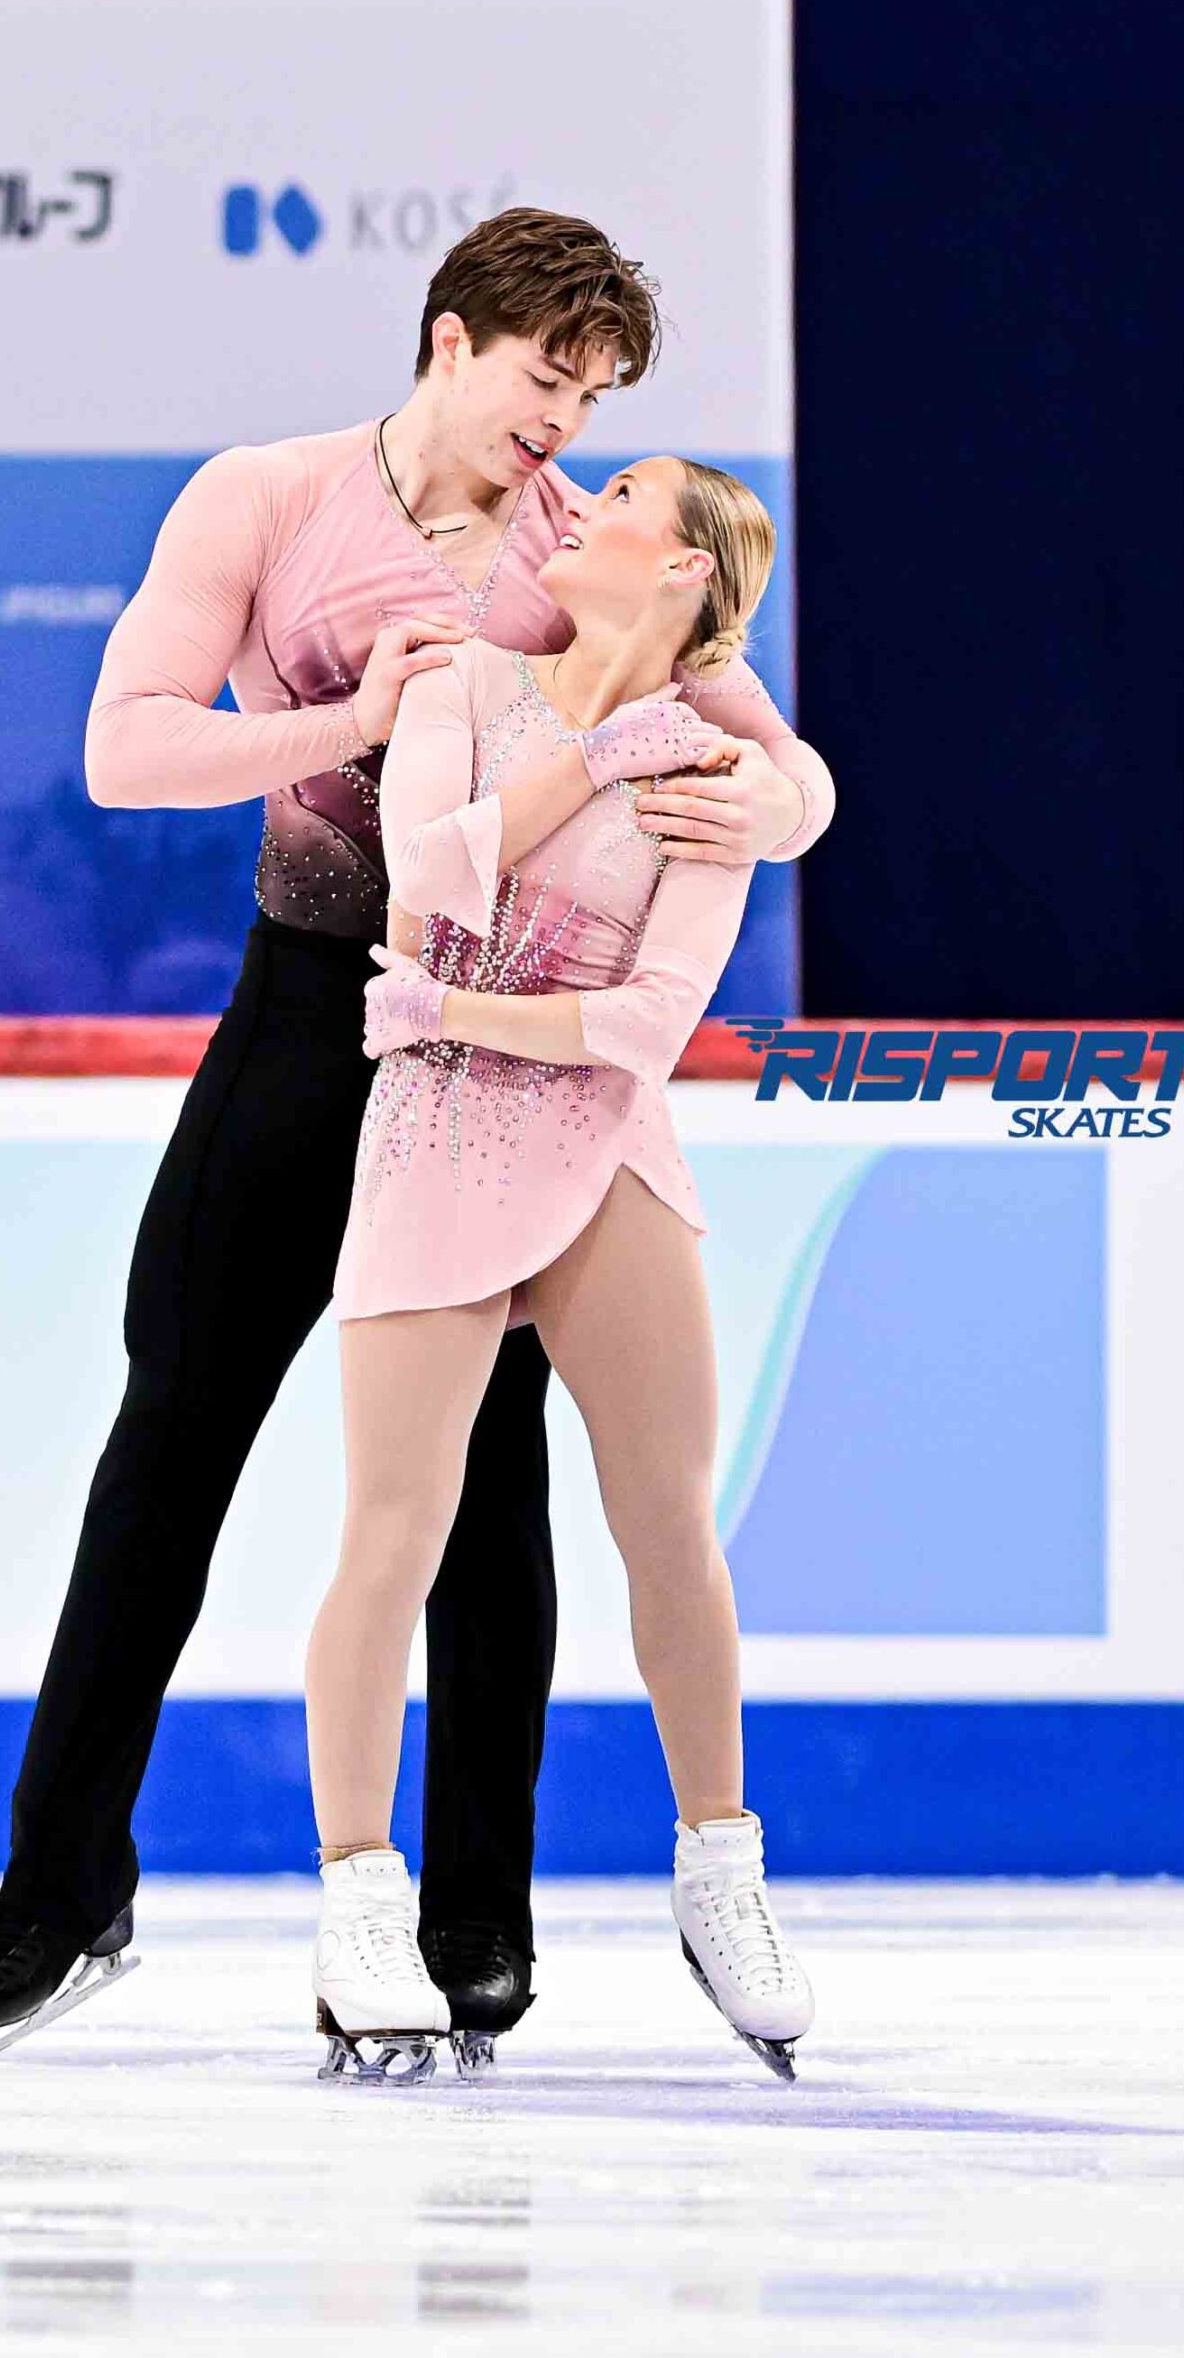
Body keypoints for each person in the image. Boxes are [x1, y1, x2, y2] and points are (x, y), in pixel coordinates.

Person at [0, 211, 833, 2068]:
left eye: (593, 399)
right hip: (307, 1010)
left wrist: (764, 800)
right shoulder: (269, 499)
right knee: (173, 1433)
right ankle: (60, 1884)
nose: (563, 425)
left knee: (492, 1490)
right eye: (545, 377)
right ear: (449, 340)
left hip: (498, 1058)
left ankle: (473, 1916)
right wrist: (351, 716)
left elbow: (788, 766)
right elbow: (124, 748)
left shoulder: (581, 546)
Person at [305, 458, 814, 2083]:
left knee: (669, 1528)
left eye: (627, 497)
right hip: (434, 1135)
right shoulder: (462, 687)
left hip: (595, 1139)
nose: (581, 503)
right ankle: (359, 1906)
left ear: (683, 571)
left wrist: (449, 1007)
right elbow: (422, 874)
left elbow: (648, 1026)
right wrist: (591, 757)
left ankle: (721, 1874)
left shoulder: (715, 774)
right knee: (393, 1530)